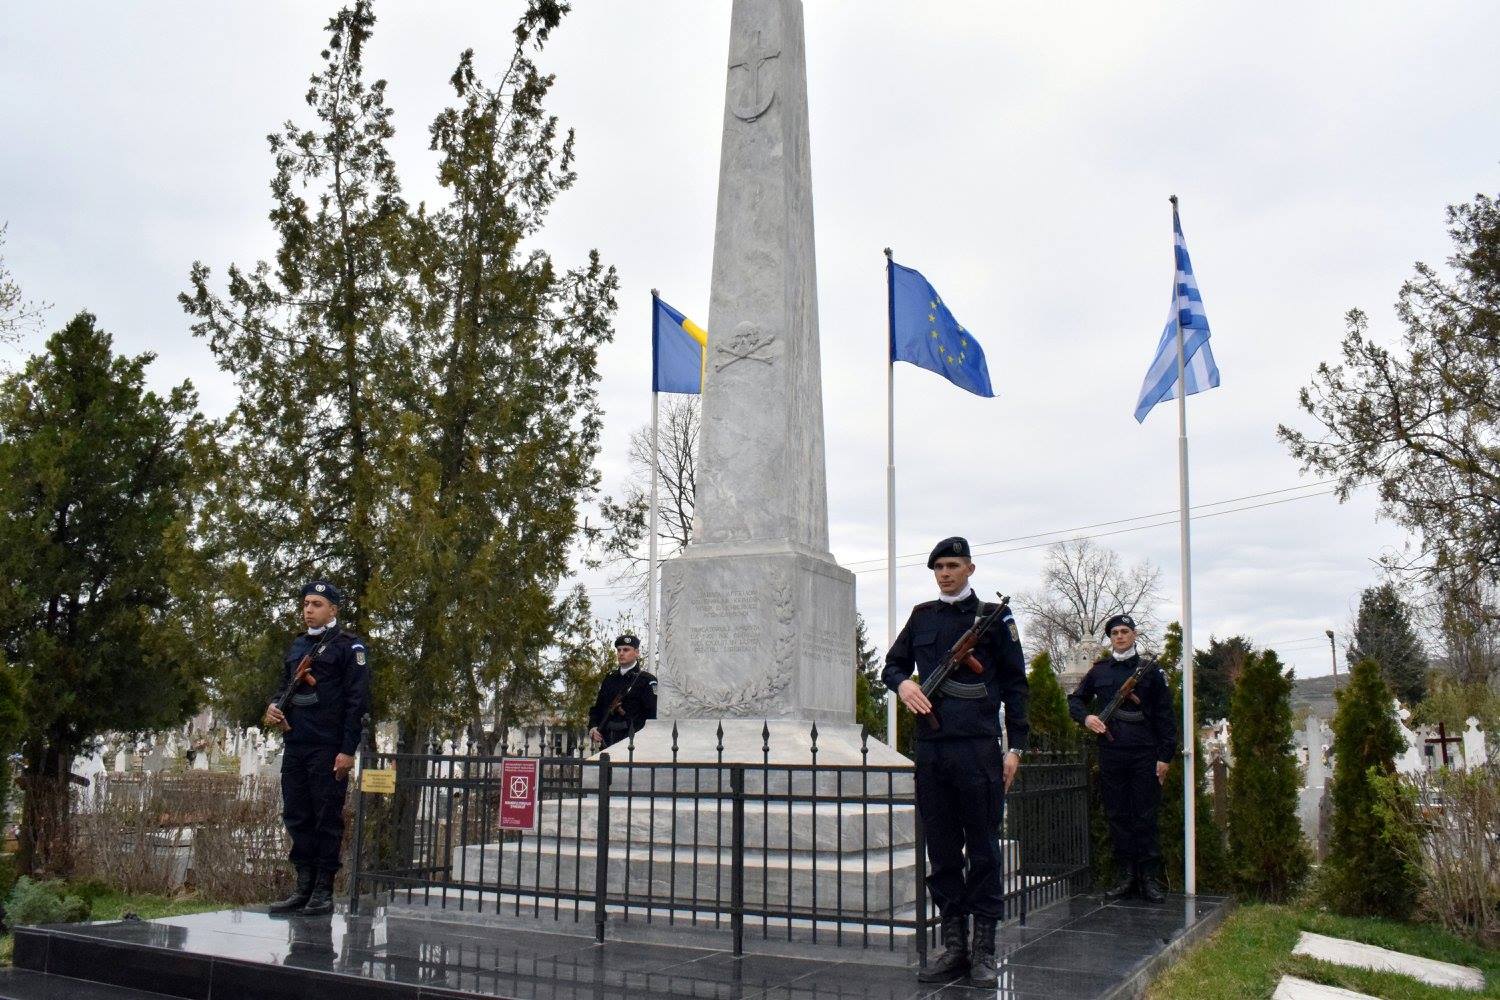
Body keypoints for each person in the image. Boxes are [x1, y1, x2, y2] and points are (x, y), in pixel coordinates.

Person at [883, 537, 1029, 988]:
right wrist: (904, 686)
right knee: (942, 851)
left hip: (978, 748)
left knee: (983, 848)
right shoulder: (922, 616)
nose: (944, 574)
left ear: (970, 568)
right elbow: (892, 665)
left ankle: (984, 948)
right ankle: (954, 946)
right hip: (931, 749)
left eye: (952, 565)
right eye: (938, 568)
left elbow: (1015, 685)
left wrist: (1016, 747)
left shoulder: (994, 619)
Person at [264, 580, 370, 916]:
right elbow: (284, 687)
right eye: (306, 603)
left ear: (333, 609)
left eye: (317, 604)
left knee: (326, 818)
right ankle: (303, 886)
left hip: (328, 747)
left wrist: (347, 750)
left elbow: (357, 702)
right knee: (297, 815)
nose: (308, 609)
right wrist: (273, 706)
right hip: (296, 742)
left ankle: (323, 890)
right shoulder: (298, 645)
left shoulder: (348, 647)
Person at [1067, 613, 1177, 904]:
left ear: (1134, 634)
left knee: (1145, 816)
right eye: (1114, 632)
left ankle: (1149, 879)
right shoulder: (1100, 671)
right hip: (1111, 751)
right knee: (1117, 815)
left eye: (1125, 631)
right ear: (1110, 637)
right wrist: (1087, 717)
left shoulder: (1150, 671)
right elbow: (1075, 700)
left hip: (1144, 752)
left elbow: (1166, 716)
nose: (1119, 636)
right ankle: (1125, 876)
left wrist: (1165, 756)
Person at [588, 633, 657, 748]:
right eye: (619, 650)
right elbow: (598, 708)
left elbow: (652, 714)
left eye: (626, 650)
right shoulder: (610, 678)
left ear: (636, 652)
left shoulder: (646, 680)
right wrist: (593, 727)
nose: (621, 653)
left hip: (634, 744)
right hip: (607, 741)